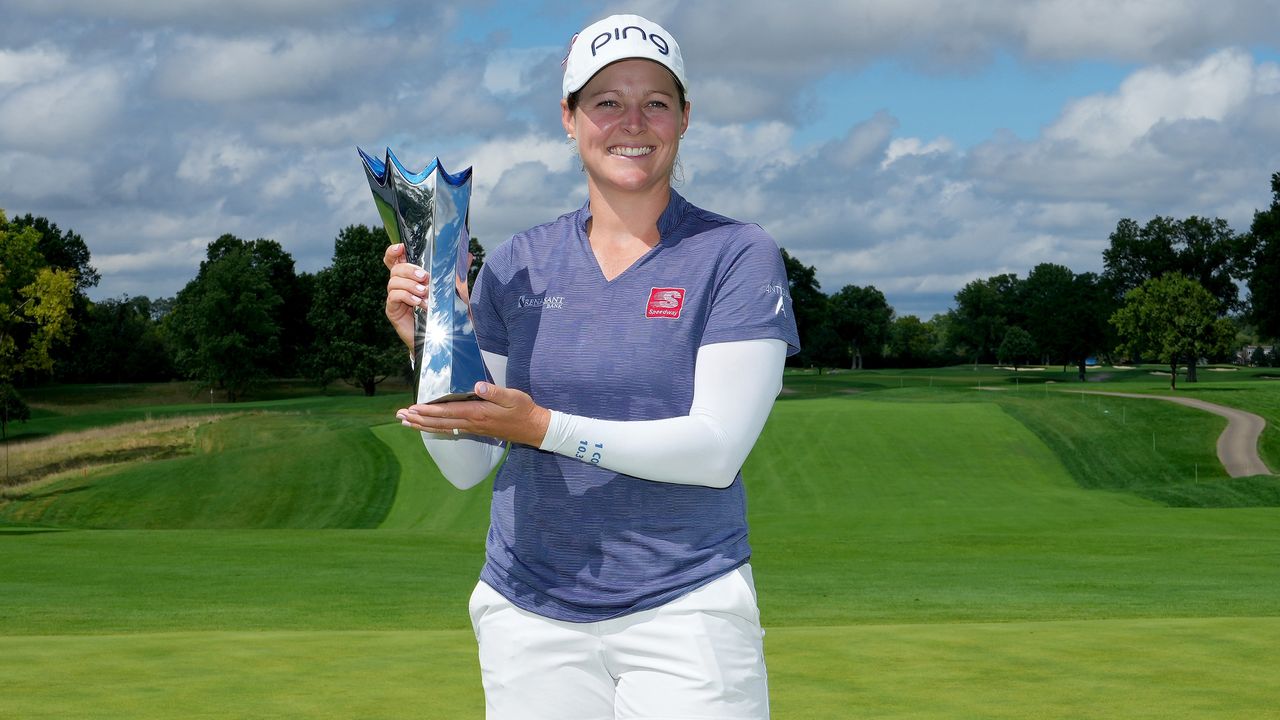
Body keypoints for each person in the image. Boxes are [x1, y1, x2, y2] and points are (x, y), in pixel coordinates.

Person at [384, 13, 799, 720]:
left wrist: (542, 427)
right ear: (569, 119)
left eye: (655, 102)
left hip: (686, 608)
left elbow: (715, 452)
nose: (632, 121)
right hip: (528, 614)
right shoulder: (516, 263)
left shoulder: (736, 254)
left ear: (685, 117)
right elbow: (465, 465)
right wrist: (430, 342)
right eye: (606, 101)